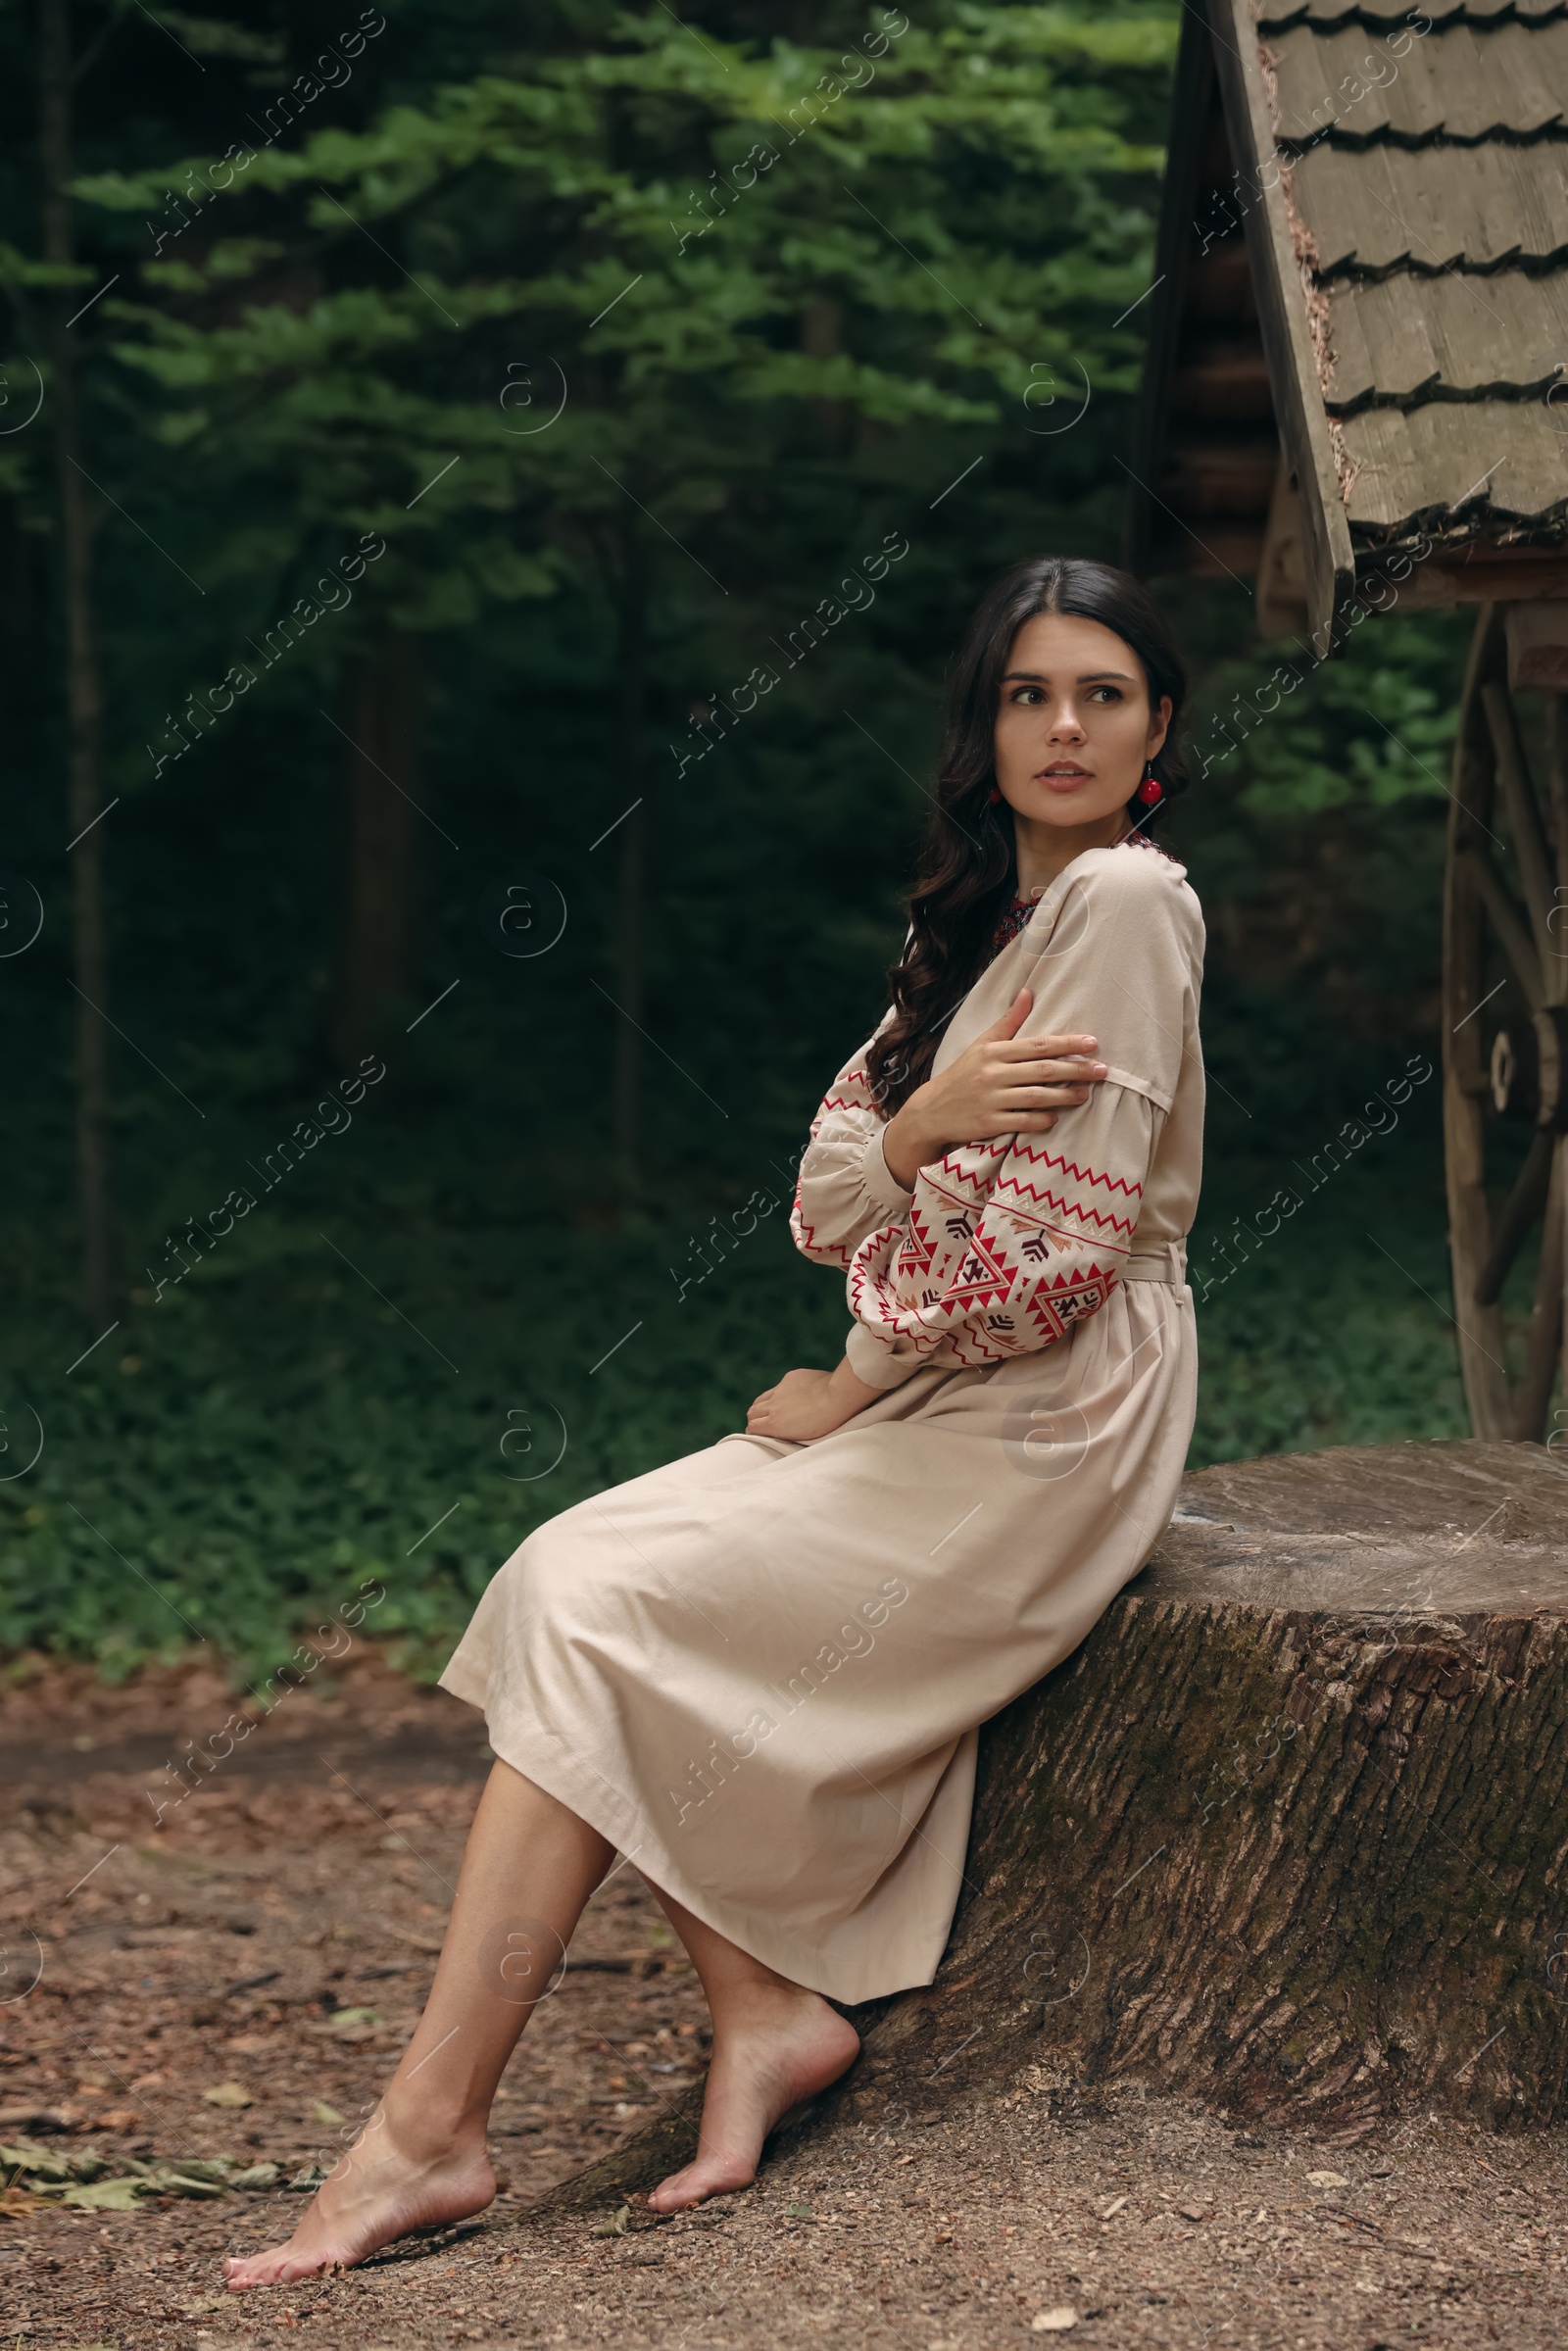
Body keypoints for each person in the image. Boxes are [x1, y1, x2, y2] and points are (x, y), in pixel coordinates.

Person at [224, 554, 1204, 2290]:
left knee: (588, 1596)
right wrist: (924, 1135)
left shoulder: (1129, 907)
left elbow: (1051, 1261)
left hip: (1045, 1422)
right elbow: (828, 1194)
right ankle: (753, 2010)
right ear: (980, 733)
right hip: (941, 1393)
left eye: (1103, 695)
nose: (1064, 728)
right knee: (563, 1578)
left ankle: (430, 2132)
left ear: (1156, 732)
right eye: (1027, 694)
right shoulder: (971, 927)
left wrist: (850, 1375)